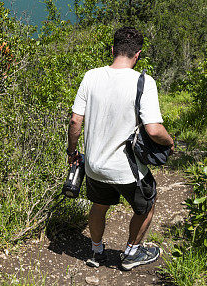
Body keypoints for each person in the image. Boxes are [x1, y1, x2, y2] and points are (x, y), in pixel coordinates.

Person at [66, 26, 174, 271]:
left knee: (99, 206)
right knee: (147, 204)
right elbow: (154, 130)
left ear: (113, 50)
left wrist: (72, 153)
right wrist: (170, 142)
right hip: (127, 169)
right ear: (137, 55)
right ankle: (131, 253)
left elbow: (75, 121)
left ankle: (96, 252)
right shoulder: (143, 82)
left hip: (94, 165)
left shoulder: (90, 76)